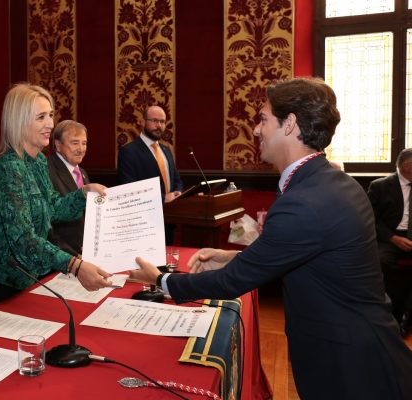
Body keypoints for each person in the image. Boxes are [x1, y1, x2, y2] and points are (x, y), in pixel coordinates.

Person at [130, 77, 412, 399]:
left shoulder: (305, 200)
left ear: (289, 124)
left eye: (263, 119)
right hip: (363, 346)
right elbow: (303, 255)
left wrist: (163, 281)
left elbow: (233, 283)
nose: (255, 129)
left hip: (349, 365)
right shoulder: (332, 182)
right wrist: (230, 255)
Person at [0, 83, 112, 315]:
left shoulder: (37, 162)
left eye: (50, 115)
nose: (50, 124)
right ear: (20, 121)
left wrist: (83, 193)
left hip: (29, 282)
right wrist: (74, 266)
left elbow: (53, 208)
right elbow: (24, 239)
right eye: (40, 117)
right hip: (3, 290)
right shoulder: (9, 169)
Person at [117, 105, 183, 244]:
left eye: (162, 122)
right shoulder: (128, 152)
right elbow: (129, 189)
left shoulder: (166, 150)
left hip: (170, 219)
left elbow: (176, 179)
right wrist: (163, 198)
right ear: (142, 122)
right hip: (144, 223)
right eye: (154, 120)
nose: (159, 125)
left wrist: (178, 192)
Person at [367, 148, 412, 336]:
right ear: (407, 166)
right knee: (382, 262)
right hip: (389, 237)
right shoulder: (381, 186)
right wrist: (393, 238)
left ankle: (408, 317)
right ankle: (393, 315)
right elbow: (370, 218)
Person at [47, 120, 90, 255]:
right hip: (63, 256)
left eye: (84, 143)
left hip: (84, 252)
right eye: (75, 143)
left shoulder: (82, 172)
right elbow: (48, 222)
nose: (81, 149)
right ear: (58, 145)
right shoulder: (46, 169)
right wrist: (69, 255)